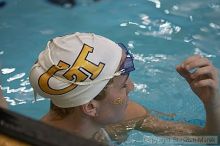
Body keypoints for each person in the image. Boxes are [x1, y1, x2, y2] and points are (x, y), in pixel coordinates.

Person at [29, 32, 220, 145]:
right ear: (90, 107)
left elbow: (207, 139)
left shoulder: (126, 116)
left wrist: (212, 103)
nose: (132, 87)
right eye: (122, 85)